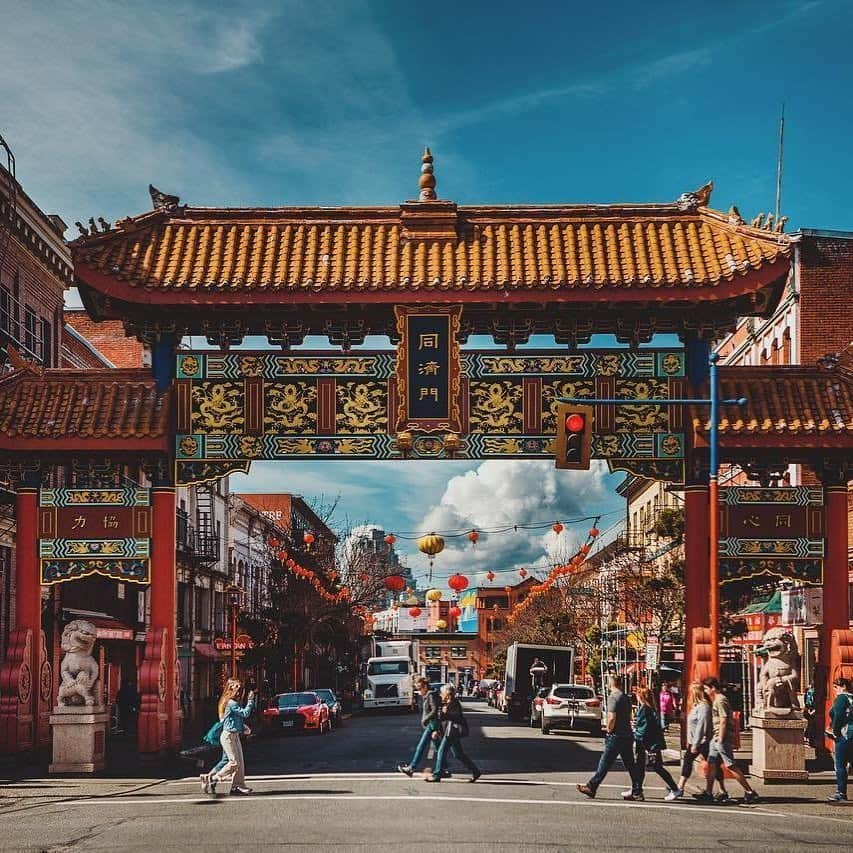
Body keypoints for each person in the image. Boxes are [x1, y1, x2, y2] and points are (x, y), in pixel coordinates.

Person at [577, 676, 642, 800]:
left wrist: (608, 729)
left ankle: (591, 786)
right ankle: (637, 790)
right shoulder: (626, 698)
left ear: (610, 684)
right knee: (630, 764)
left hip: (616, 735)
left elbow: (612, 717)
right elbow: (629, 716)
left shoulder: (613, 697)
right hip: (627, 735)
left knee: (605, 762)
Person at [699, 677, 759, 804]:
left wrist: (720, 738)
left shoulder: (720, 700)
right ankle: (708, 792)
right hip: (716, 737)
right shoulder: (717, 700)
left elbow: (724, 719)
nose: (705, 691)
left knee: (730, 765)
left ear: (713, 688)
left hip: (721, 738)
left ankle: (749, 792)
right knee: (711, 764)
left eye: (706, 688)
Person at [666, 682, 728, 802]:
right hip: (698, 741)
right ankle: (721, 789)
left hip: (702, 741)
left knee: (692, 761)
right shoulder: (698, 706)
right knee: (713, 764)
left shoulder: (703, 707)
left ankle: (680, 787)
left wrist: (695, 743)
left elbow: (701, 726)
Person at [202, 679, 255, 796]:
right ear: (231, 689)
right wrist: (250, 701)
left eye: (241, 689)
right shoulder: (231, 703)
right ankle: (214, 778)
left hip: (234, 735)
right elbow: (245, 713)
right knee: (234, 762)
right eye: (237, 689)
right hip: (228, 736)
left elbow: (237, 719)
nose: (239, 692)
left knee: (239, 763)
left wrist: (243, 728)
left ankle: (238, 786)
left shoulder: (234, 703)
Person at [627, 686, 678, 801]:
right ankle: (636, 790)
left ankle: (675, 789)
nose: (636, 697)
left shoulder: (645, 709)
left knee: (656, 767)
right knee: (641, 767)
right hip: (649, 743)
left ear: (641, 696)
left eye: (637, 695)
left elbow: (644, 729)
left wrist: (635, 734)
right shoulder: (650, 708)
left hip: (648, 744)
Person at [426, 684, 481, 783]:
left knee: (441, 752)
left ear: (447, 693)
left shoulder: (454, 703)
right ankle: (475, 771)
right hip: (449, 732)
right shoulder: (446, 703)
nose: (440, 694)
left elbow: (455, 717)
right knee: (458, 754)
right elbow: (442, 718)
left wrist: (444, 713)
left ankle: (437, 774)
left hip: (451, 732)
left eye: (442, 693)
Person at [398, 677, 443, 777]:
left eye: (420, 688)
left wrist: (425, 719)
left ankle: (411, 768)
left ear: (425, 686)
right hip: (432, 724)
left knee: (421, 746)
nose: (419, 691)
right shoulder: (428, 695)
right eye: (417, 688)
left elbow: (434, 710)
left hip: (432, 725)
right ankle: (443, 767)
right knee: (439, 748)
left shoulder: (430, 695)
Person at [827, 676, 853, 803]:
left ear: (843, 687)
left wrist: (836, 731)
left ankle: (841, 793)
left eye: (836, 687)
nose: (835, 689)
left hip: (845, 733)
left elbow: (838, 714)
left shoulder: (842, 698)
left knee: (840, 764)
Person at [803, 682, 817, 747]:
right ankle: (810, 740)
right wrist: (813, 710)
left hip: (807, 709)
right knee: (812, 725)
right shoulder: (814, 692)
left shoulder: (808, 691)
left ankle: (806, 737)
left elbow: (806, 701)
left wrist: (807, 709)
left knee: (809, 725)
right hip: (812, 710)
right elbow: (813, 701)